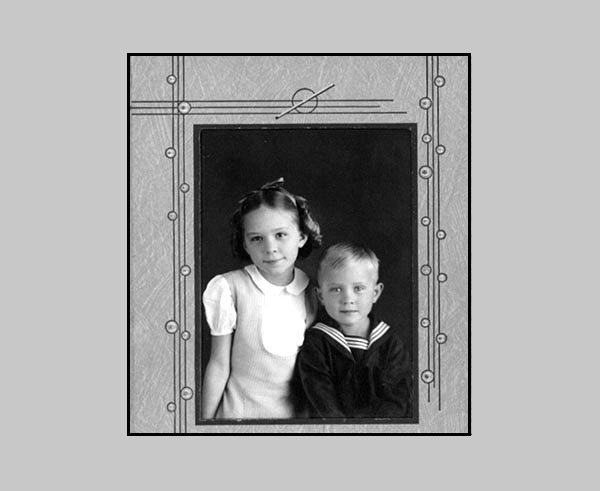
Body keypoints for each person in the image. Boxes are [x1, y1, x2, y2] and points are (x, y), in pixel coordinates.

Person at [201, 178, 322, 419]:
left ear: (301, 237)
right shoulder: (230, 288)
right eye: (257, 238)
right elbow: (218, 364)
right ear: (245, 243)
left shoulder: (314, 293)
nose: (270, 248)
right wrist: (203, 425)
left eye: (280, 235)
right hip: (237, 419)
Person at [295, 242, 411, 418]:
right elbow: (321, 399)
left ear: (375, 293)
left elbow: (398, 396)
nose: (347, 299)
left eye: (358, 288)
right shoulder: (316, 343)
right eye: (336, 289)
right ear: (321, 296)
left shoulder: (390, 343)